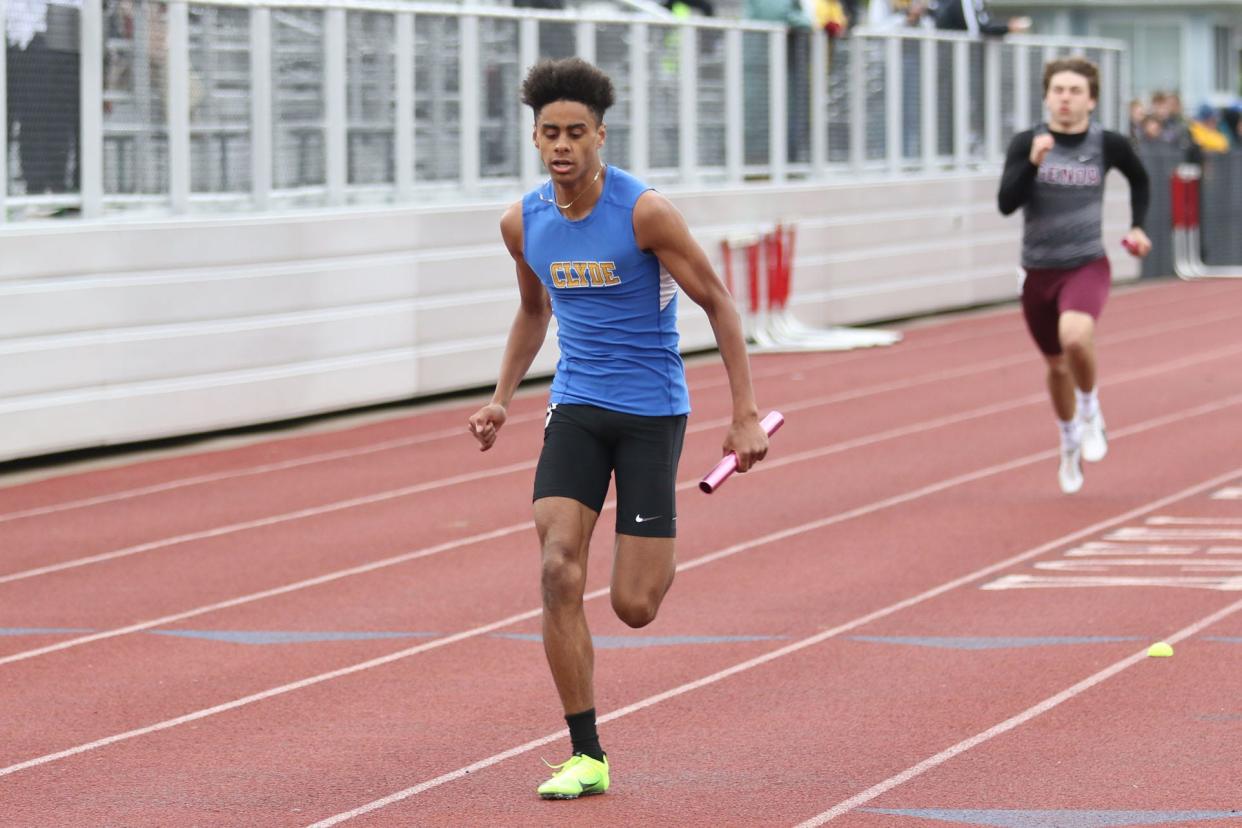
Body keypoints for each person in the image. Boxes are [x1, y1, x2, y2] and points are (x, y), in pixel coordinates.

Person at [466, 57, 769, 799]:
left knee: (634, 606)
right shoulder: (522, 222)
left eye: (576, 133)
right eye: (549, 133)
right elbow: (534, 312)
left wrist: (744, 413)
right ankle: (586, 752)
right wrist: (503, 396)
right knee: (555, 566)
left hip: (649, 411)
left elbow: (720, 305)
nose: (562, 145)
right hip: (575, 407)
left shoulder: (644, 213)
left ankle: (655, 544)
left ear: (601, 136)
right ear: (535, 139)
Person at [997, 57, 1151, 494]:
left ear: (1092, 100)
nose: (1065, 98)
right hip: (1037, 271)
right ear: (1046, 96)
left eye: (1075, 91)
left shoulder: (1109, 144)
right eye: (1058, 90)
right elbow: (1007, 203)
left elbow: (1140, 180)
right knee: (1055, 365)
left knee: (1076, 337)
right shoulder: (1027, 142)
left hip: (1085, 264)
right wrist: (1031, 163)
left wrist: (1138, 225)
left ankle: (1091, 410)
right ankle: (1069, 441)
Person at [933, 0, 1030, 35]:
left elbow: (987, 23)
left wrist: (1008, 26)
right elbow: (978, 29)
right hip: (952, 57)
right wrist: (1009, 27)